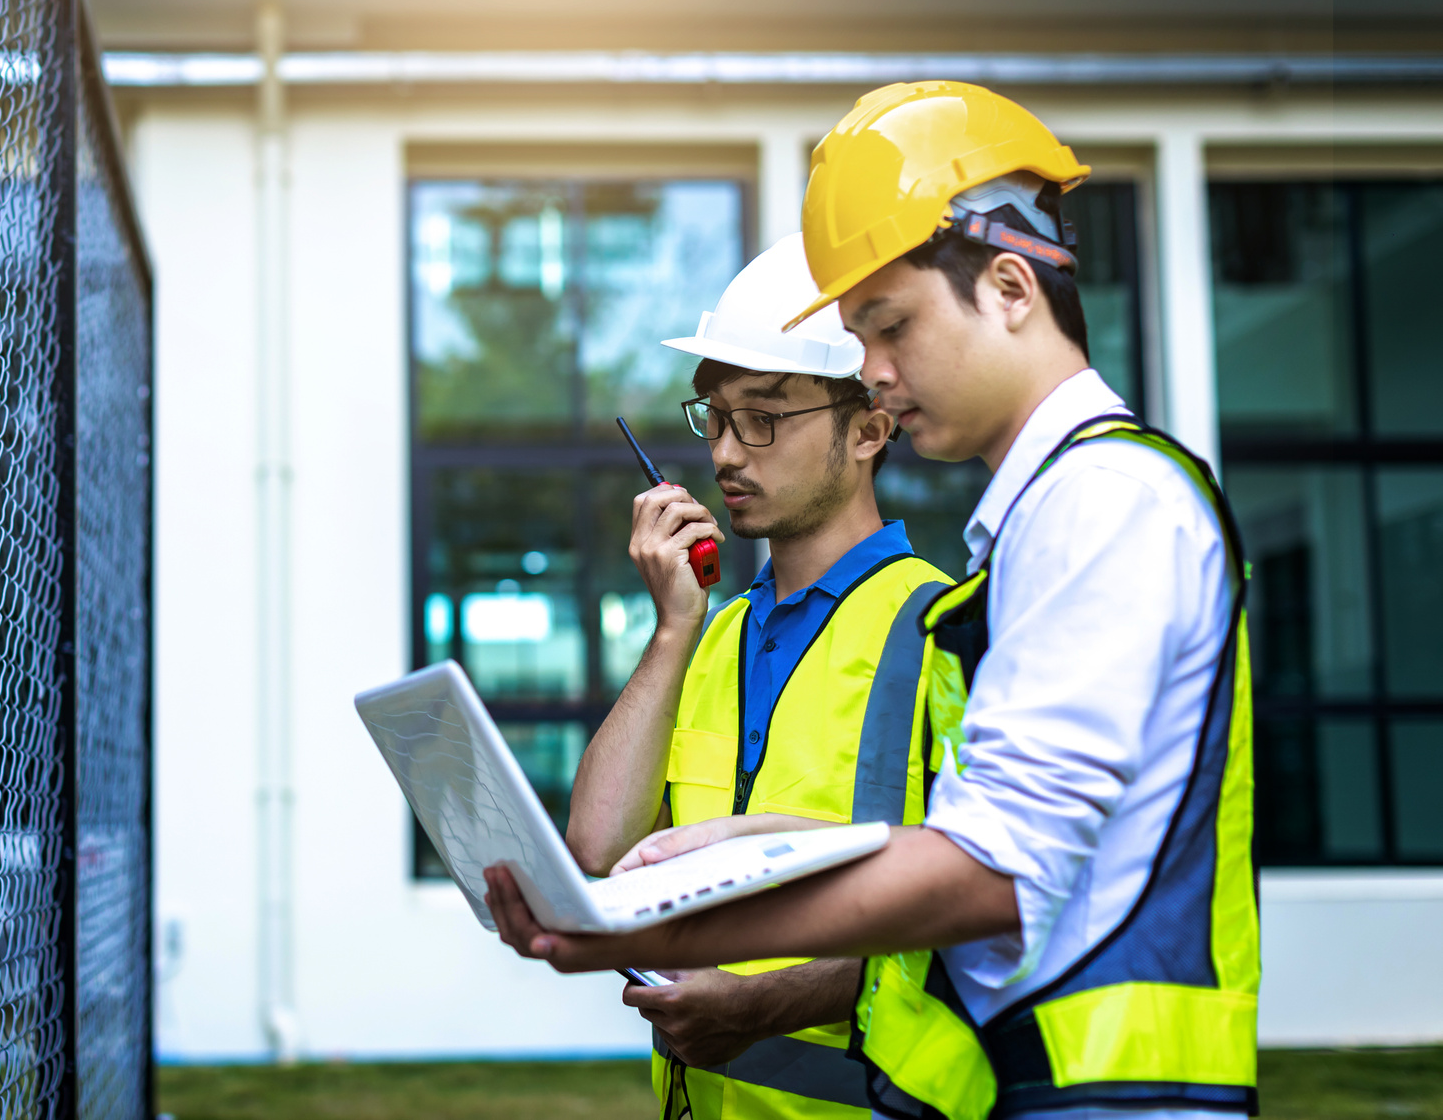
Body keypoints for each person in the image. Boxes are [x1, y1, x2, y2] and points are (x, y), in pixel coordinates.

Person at [484, 81, 1259, 1120]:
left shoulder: (1101, 500)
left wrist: (656, 929)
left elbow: (990, 870)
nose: (877, 373)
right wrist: (742, 848)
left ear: (1010, 286)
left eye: (887, 325)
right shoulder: (1047, 517)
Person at [567, 234, 952, 1120]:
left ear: (869, 429)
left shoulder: (942, 631)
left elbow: (973, 916)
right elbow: (594, 851)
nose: (729, 455)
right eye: (717, 419)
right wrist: (672, 630)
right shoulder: (709, 635)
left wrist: (764, 1005)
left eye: (765, 418)